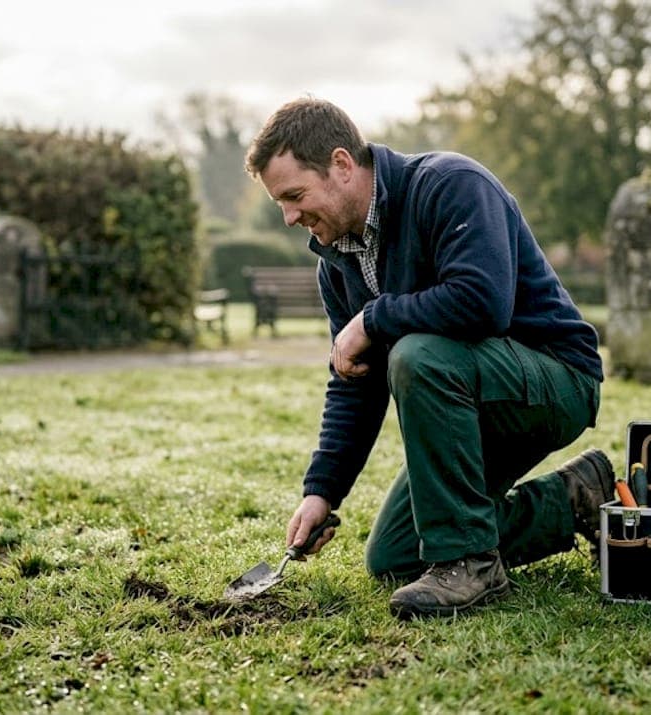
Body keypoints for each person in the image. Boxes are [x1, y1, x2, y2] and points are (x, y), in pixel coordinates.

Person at [244, 97, 615, 619]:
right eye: (281, 203)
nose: (288, 217)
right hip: (470, 400)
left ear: (342, 166)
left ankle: (469, 563)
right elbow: (355, 380)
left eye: (295, 195)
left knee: (419, 355)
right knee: (395, 555)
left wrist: (371, 320)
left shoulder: (451, 185)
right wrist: (321, 493)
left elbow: (482, 301)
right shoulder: (337, 262)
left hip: (555, 381)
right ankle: (575, 498)